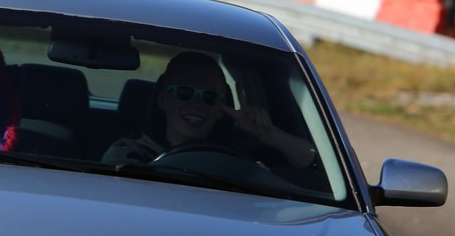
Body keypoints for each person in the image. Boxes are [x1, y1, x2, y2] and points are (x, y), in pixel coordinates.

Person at [102, 51, 316, 168]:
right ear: (162, 100)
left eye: (210, 97)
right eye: (184, 92)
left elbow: (310, 160)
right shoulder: (128, 155)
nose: (197, 104)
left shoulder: (239, 160)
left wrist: (268, 134)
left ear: (221, 110)